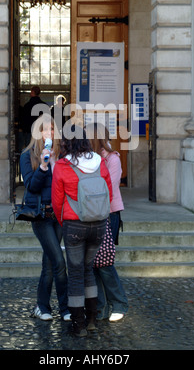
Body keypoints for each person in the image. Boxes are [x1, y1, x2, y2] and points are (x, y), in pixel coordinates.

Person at [51, 124, 113, 337]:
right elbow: (109, 194)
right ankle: (92, 320)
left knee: (75, 273)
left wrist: (63, 222)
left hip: (74, 224)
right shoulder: (99, 162)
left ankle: (78, 325)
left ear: (66, 142)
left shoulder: (61, 165)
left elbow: (57, 201)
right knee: (88, 271)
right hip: (98, 225)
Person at [20, 113, 70, 322]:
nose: (48, 133)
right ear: (37, 133)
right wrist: (42, 166)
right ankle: (66, 309)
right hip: (40, 216)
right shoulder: (28, 155)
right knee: (58, 260)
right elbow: (30, 185)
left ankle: (43, 307)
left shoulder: (62, 154)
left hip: (58, 215)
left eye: (51, 129)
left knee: (49, 263)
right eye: (44, 129)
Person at [85, 122, 128, 322]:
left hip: (108, 214)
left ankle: (119, 304)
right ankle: (100, 307)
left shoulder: (112, 159)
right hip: (89, 214)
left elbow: (108, 189)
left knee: (105, 262)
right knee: (92, 263)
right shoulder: (86, 159)